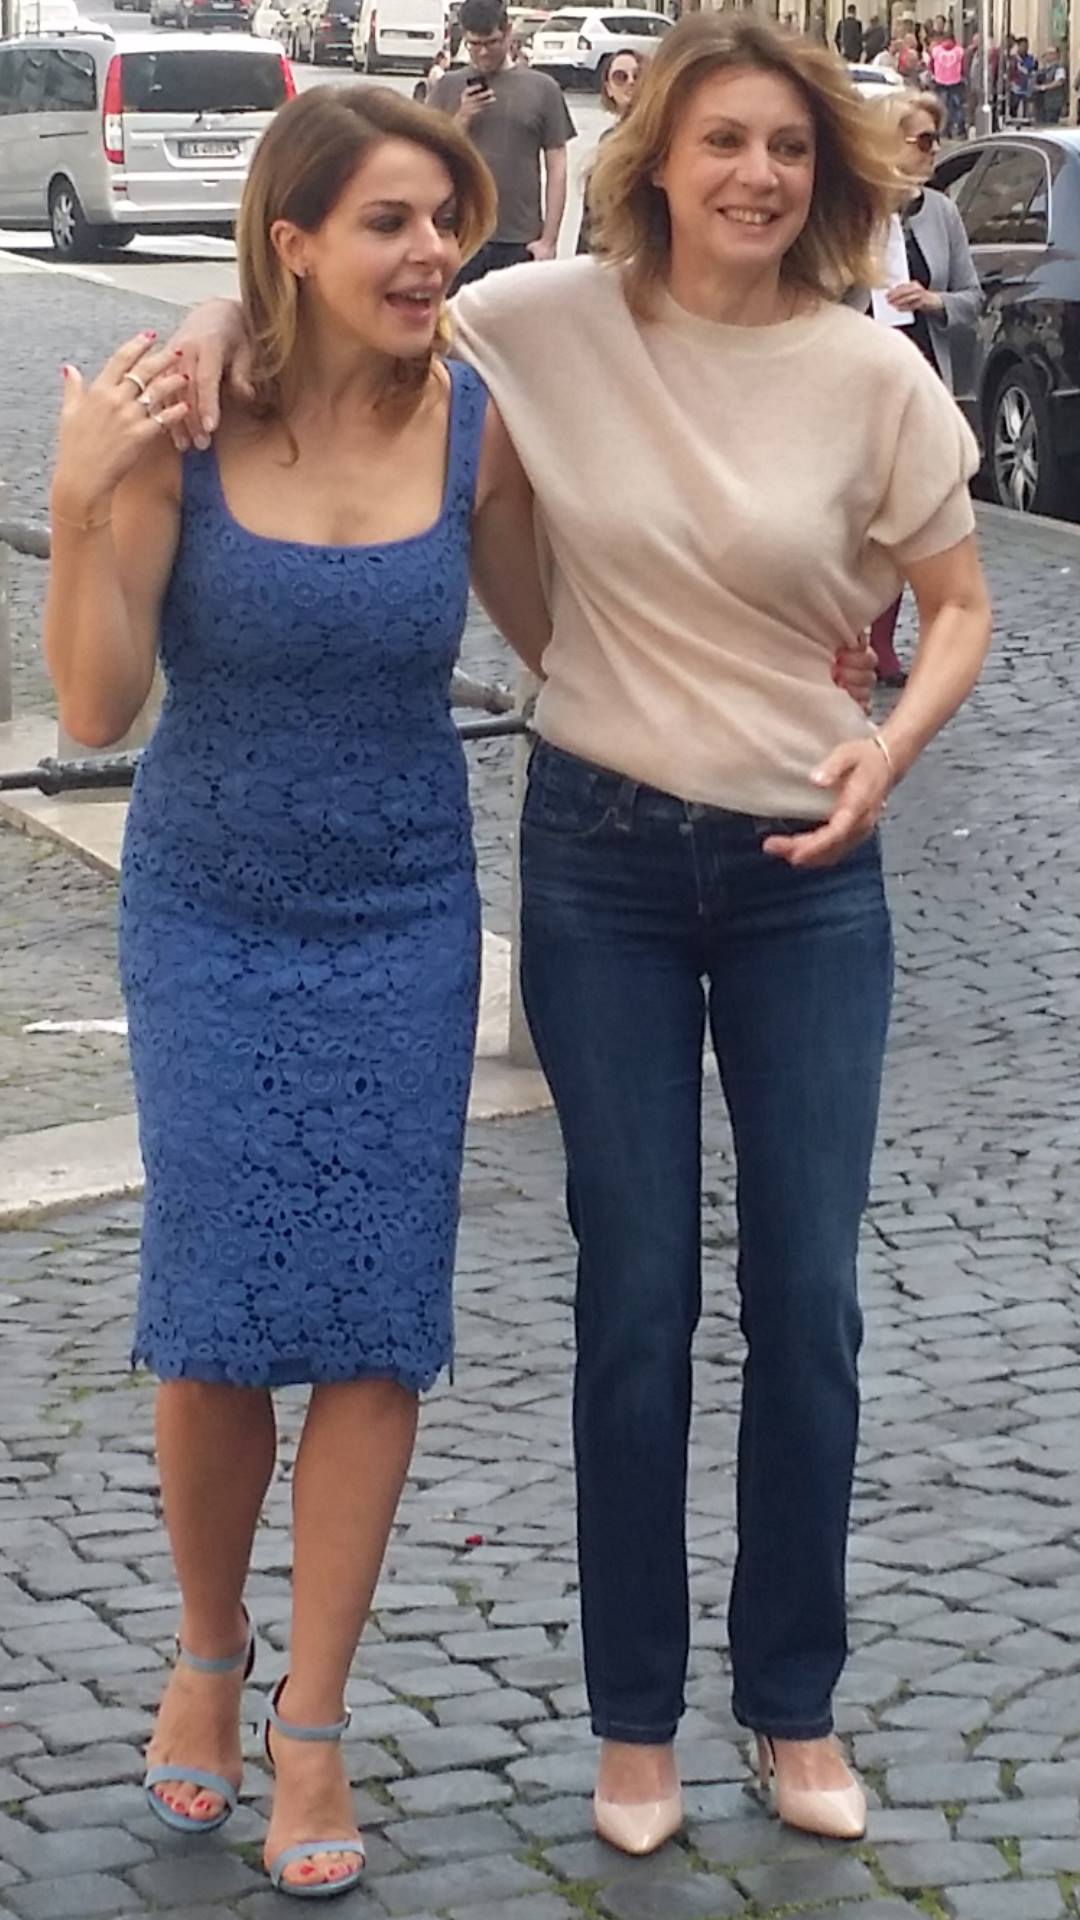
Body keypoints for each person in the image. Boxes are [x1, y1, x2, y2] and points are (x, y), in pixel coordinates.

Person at [171, 13, 989, 1864]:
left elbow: (956, 606)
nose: (758, 174)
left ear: (824, 173)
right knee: (632, 1301)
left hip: (807, 870)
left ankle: (793, 1702)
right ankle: (634, 1726)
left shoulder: (872, 376)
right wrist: (214, 321)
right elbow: (342, 297)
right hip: (602, 858)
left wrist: (890, 748)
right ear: (656, 158)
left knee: (811, 1300)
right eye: (724, 141)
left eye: (789, 146)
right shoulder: (543, 321)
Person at [42, 83, 553, 1903]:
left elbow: (575, 640)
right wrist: (78, 494)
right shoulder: (183, 423)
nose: (434, 254)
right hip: (212, 908)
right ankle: (206, 1652)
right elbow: (94, 705)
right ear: (297, 244)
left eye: (449, 222)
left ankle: (314, 1714)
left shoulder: (477, 426)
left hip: (403, 913)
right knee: (211, 1311)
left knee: (373, 1316)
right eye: (393, 223)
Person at [866, 89, 982, 685]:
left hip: (922, 372)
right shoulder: (849, 210)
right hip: (858, 375)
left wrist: (934, 301)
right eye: (924, 140)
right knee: (850, 516)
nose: (935, 152)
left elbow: (973, 298)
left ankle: (882, 642)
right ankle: (838, 637)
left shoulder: (940, 212)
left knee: (906, 517)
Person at [429, 0, 575, 284]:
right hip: (461, 232)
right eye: (474, 44)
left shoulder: (542, 88)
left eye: (491, 42)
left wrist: (549, 240)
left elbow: (557, 166)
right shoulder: (448, 87)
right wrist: (462, 117)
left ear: (508, 33)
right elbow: (430, 156)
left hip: (519, 237)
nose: (483, 52)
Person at [577, 49, 643, 253]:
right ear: (609, 89)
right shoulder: (607, 140)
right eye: (620, 77)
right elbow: (592, 210)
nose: (630, 82)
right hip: (608, 249)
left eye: (638, 76)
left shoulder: (660, 134)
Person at [929, 21, 965, 136]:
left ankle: (943, 129)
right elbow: (963, 66)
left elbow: (931, 64)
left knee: (940, 106)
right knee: (955, 106)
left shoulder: (936, 50)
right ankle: (957, 128)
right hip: (955, 81)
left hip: (939, 81)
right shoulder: (959, 51)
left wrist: (934, 75)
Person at [1034, 45, 1067, 122]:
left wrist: (1043, 87)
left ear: (1057, 55)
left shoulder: (1059, 68)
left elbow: (1059, 82)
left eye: (1051, 53)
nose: (1048, 55)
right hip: (1042, 103)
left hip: (1053, 103)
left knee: (1051, 123)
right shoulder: (1043, 69)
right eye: (1047, 53)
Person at [1009, 36, 1036, 119]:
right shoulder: (1012, 58)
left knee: (1026, 111)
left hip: (1026, 88)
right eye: (1023, 46)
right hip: (1014, 88)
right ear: (1018, 46)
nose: (1025, 48)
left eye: (1026, 46)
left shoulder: (1030, 58)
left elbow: (1030, 70)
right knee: (1013, 108)